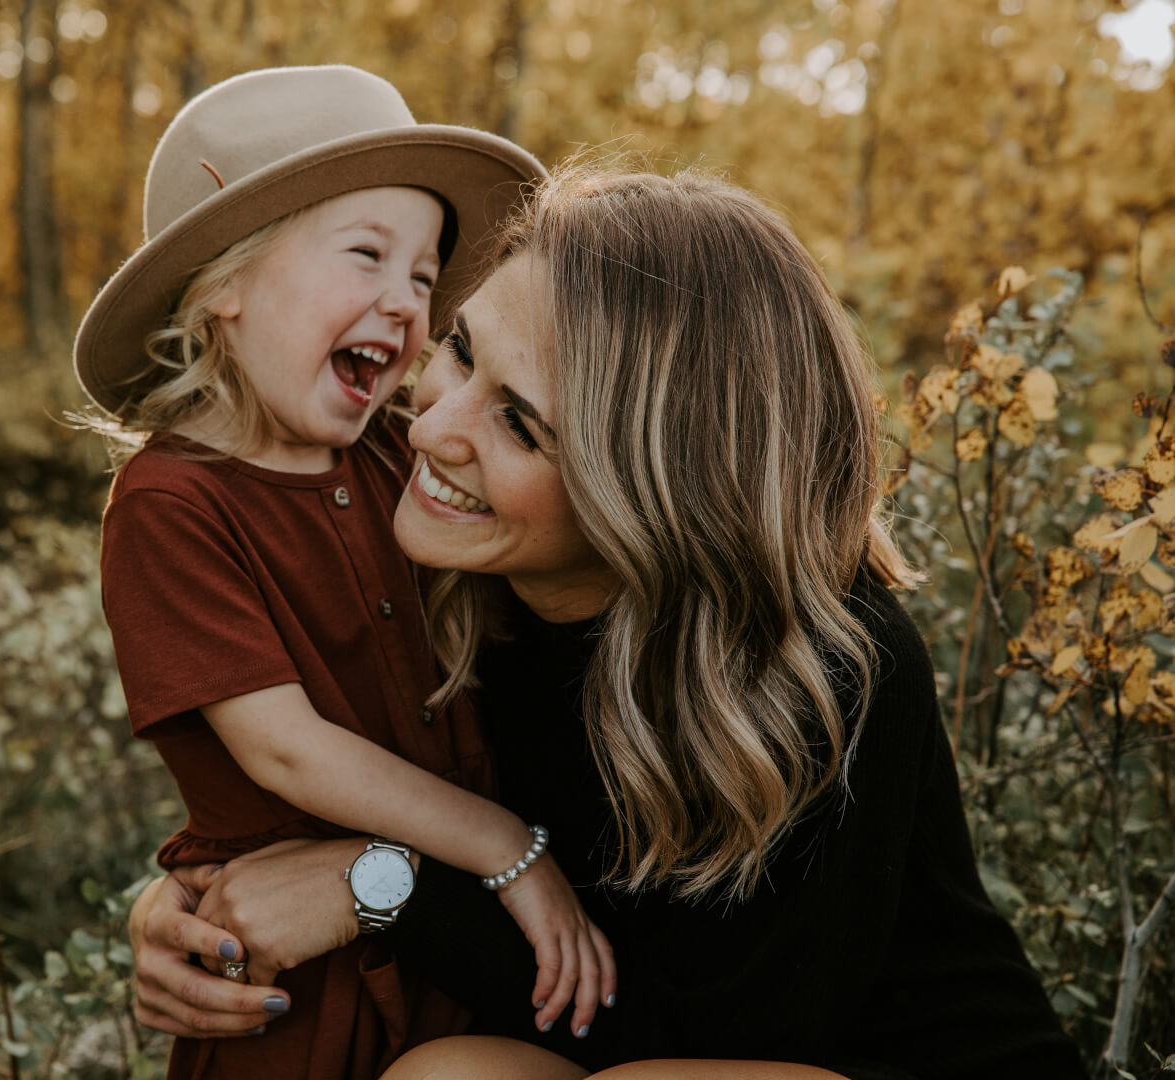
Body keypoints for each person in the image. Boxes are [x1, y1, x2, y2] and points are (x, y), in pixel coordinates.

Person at [122, 165, 1091, 1079]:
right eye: (458, 351)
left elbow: (694, 1040)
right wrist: (198, 907)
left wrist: (380, 890)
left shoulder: (819, 669)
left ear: (657, 489)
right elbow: (316, 761)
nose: (427, 429)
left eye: (520, 424)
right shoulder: (452, 571)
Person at [76, 66, 615, 1080]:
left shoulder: (393, 449)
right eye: (366, 255)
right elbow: (286, 753)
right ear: (222, 286)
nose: (405, 302)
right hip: (292, 975)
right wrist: (506, 844)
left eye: (423, 275)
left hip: (448, 944)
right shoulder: (171, 503)